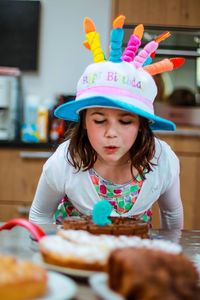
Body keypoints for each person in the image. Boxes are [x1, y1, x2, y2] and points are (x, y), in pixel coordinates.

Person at [29, 15, 184, 229]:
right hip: (76, 254)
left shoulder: (162, 159)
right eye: (100, 120)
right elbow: (39, 215)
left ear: (142, 125)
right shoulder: (64, 161)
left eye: (126, 121)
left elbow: (172, 215)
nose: (111, 133)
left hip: (133, 255)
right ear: (83, 121)